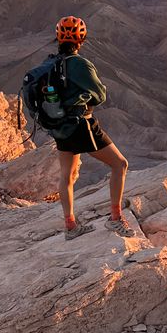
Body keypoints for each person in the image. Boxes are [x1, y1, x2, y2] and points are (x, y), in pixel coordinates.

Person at [52, 16, 135, 241]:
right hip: (82, 125)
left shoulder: (51, 64)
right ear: (82, 39)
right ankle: (115, 219)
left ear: (58, 38)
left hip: (59, 126)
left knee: (66, 176)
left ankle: (71, 226)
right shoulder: (80, 64)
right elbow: (100, 95)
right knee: (120, 164)